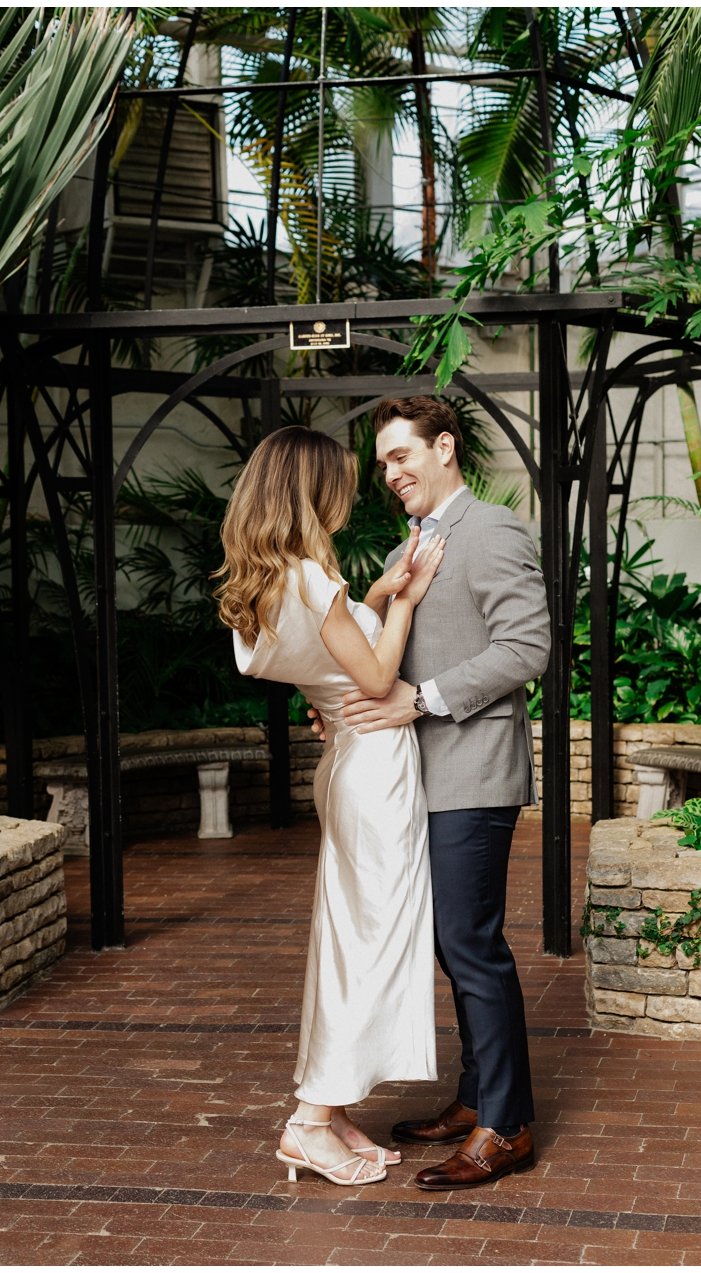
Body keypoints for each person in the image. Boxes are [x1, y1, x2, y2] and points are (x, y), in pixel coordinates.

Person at [316, 396, 551, 1191]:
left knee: (471, 944)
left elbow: (529, 647)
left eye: (400, 456)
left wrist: (416, 700)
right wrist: (347, 709)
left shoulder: (493, 532)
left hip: (475, 771)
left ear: (445, 447)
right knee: (452, 945)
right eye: (383, 463)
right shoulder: (408, 544)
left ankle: (506, 1125)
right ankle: (475, 1094)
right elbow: (381, 660)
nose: (391, 473)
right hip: (419, 776)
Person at [215, 425, 445, 1187]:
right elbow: (378, 678)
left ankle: (334, 1109)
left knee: (347, 941)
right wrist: (407, 598)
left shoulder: (273, 581)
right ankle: (310, 1121)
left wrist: (376, 594)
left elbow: (330, 656)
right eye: (344, 480)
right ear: (314, 489)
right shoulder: (314, 579)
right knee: (370, 946)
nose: (356, 489)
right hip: (375, 767)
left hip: (347, 763)